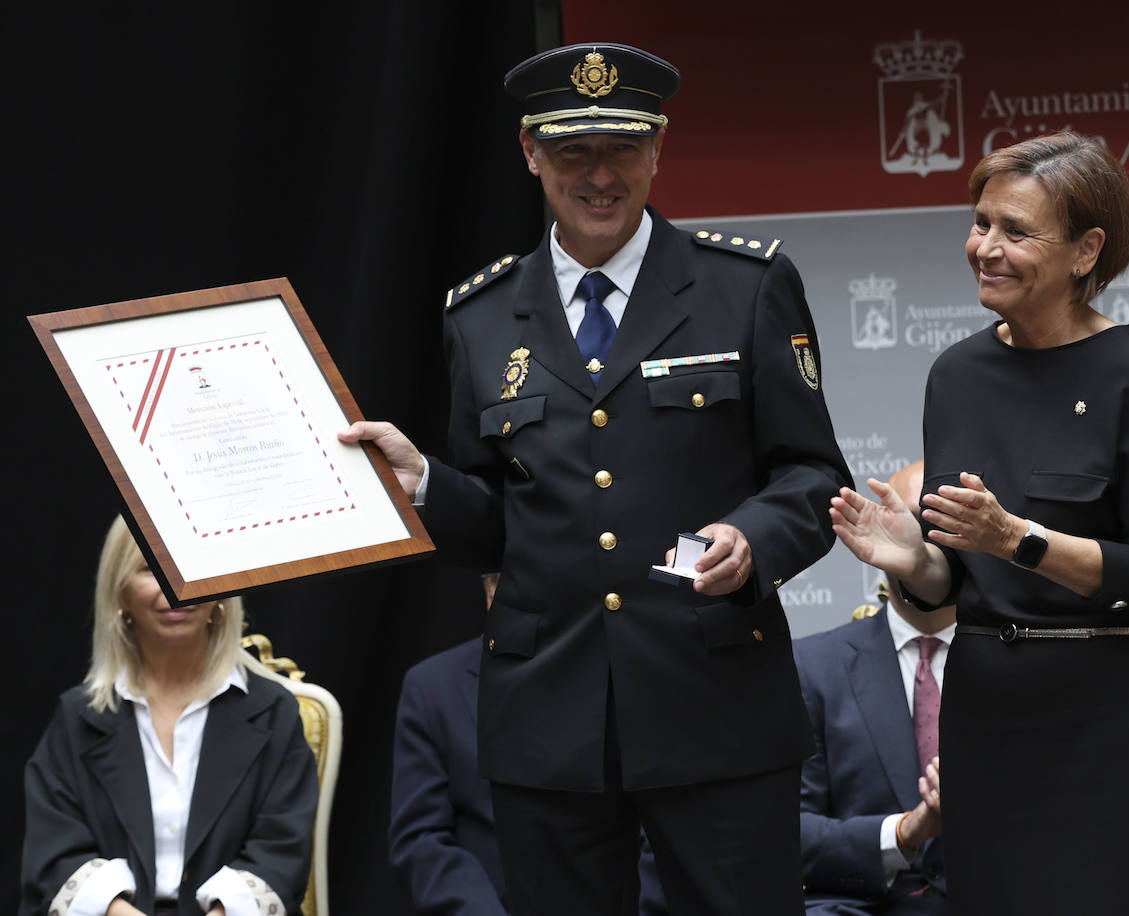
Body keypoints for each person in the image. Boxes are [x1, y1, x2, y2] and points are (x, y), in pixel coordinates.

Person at [341, 41, 851, 916]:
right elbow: (497, 523)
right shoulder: (481, 314)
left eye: (622, 148)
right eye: (575, 152)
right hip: (550, 717)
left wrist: (753, 539)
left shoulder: (748, 286)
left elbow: (812, 475)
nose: (600, 175)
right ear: (531, 155)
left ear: (658, 149)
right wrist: (424, 481)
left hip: (716, 701)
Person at [830, 131, 1129, 914]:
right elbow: (949, 587)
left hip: (1107, 716)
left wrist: (1018, 539)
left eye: (1015, 231)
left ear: (1085, 251)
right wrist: (911, 560)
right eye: (980, 223)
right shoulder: (956, 376)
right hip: (990, 718)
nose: (985, 248)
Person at [21, 516, 318, 916]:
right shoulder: (78, 717)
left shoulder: (273, 712)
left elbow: (282, 848)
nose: (175, 588)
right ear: (120, 592)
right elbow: (53, 850)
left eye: (190, 566)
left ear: (220, 591)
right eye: (150, 569)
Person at [389, 571, 667, 915]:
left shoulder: (624, 675)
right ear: (490, 593)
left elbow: (663, 820)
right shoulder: (431, 686)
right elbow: (421, 839)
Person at [796, 462, 950, 915]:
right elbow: (789, 835)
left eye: (940, 528)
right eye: (912, 523)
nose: (921, 545)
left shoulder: (1019, 664)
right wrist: (906, 831)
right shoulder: (814, 668)